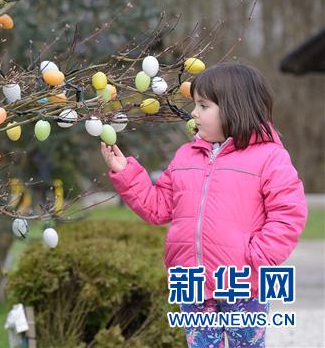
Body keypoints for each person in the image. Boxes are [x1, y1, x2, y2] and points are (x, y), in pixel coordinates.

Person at [99, 62, 307, 348]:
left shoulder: (270, 157)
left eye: (203, 105)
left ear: (234, 107)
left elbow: (288, 216)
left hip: (242, 286)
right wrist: (126, 173)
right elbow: (158, 207)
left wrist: (255, 258)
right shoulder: (186, 156)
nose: (194, 113)